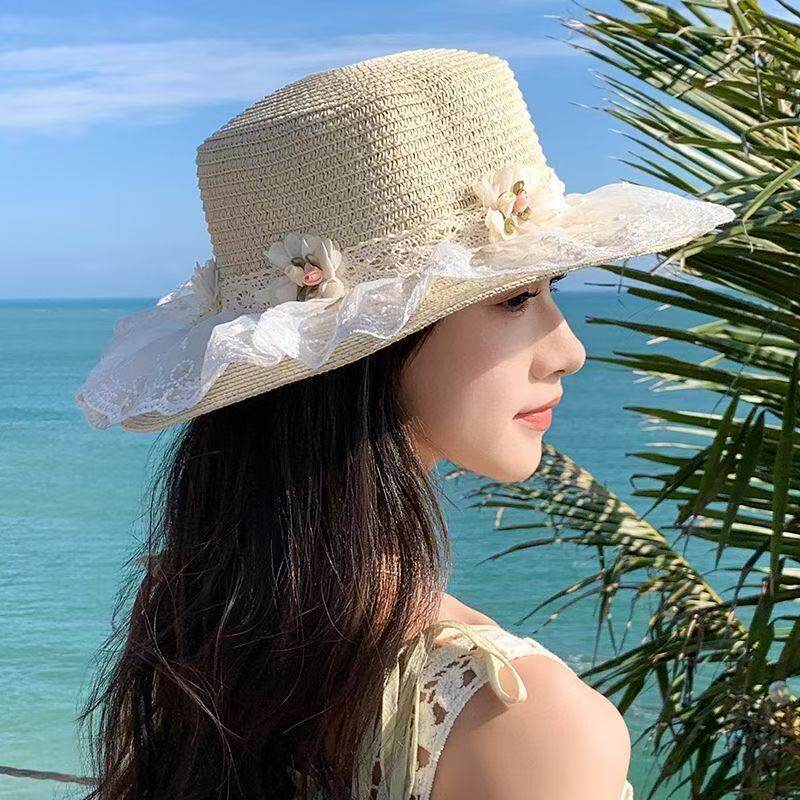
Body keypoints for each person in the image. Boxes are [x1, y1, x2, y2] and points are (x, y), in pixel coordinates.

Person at [74, 48, 735, 800]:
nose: (569, 351)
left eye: (550, 289)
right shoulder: (521, 725)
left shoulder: (199, 633)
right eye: (515, 298)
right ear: (375, 342)